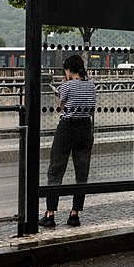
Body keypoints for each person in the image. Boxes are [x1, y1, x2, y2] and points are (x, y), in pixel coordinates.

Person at [39, 54, 96, 228]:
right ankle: (74, 214)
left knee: (56, 170)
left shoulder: (67, 85)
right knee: (81, 174)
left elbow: (61, 107)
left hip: (67, 129)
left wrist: (63, 87)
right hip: (85, 129)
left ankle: (50, 214)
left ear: (69, 70)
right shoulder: (91, 86)